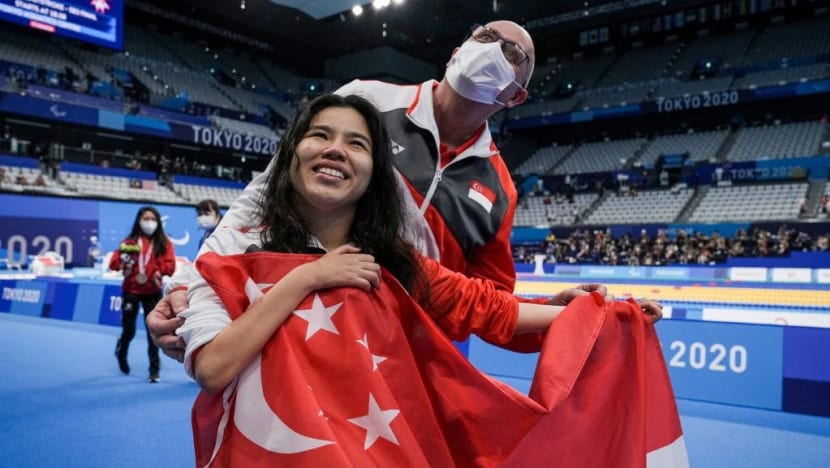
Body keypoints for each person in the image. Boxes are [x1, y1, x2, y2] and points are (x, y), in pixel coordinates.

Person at [178, 94, 666, 465]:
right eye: (319, 135)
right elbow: (212, 368)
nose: (335, 151)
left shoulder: (396, 263)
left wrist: (590, 313)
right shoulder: (232, 253)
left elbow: (483, 305)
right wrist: (307, 278)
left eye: (357, 143)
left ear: (374, 174)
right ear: (291, 154)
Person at [148, 20, 623, 361]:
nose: (491, 47)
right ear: (456, 51)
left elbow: (483, 302)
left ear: (515, 95)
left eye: (512, 52)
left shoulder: (499, 189)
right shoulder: (367, 101)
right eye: (483, 35)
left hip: (404, 365)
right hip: (306, 327)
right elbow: (261, 196)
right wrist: (187, 287)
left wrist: (559, 312)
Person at [109, 206, 176, 382]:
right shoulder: (129, 242)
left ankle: (154, 370)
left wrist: (159, 271)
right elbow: (113, 263)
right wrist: (123, 264)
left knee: (153, 332)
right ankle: (121, 351)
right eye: (146, 218)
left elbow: (171, 266)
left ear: (158, 222)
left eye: (153, 219)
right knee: (129, 330)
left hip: (153, 291)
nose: (149, 222)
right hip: (131, 290)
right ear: (139, 221)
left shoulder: (164, 242)